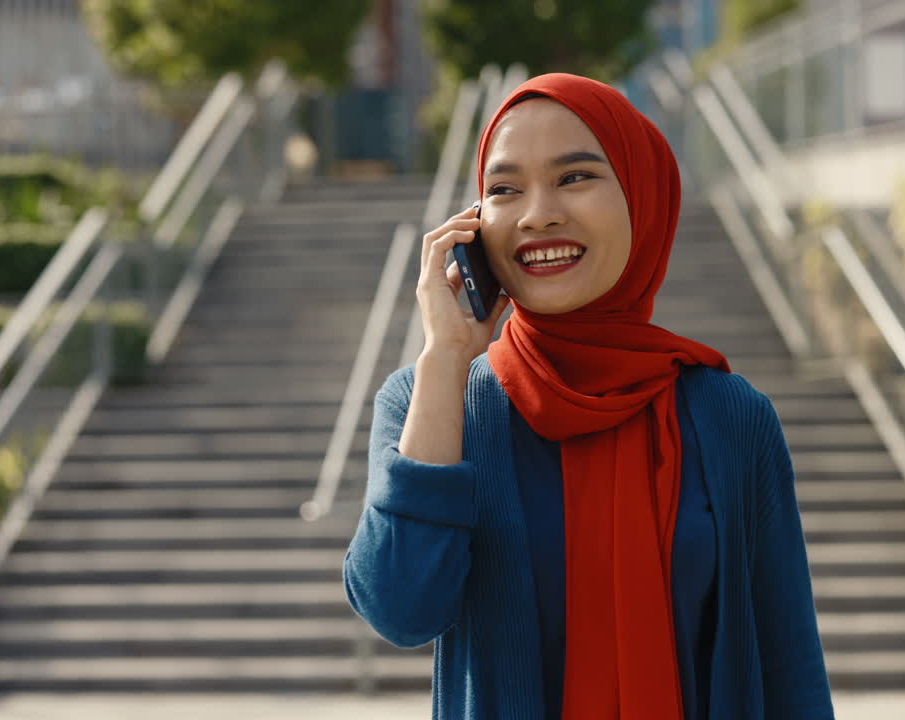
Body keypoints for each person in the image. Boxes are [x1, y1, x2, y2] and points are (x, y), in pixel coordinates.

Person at [343, 72, 833, 720]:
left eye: (574, 177)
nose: (537, 213)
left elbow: (787, 665)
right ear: (472, 225)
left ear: (641, 196)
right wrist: (444, 360)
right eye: (504, 189)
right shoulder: (427, 401)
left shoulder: (730, 417)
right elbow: (400, 610)